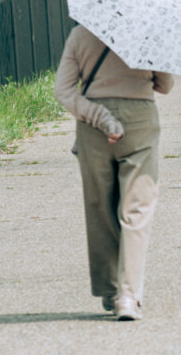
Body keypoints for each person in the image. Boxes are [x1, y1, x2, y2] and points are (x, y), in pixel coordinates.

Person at [55, 23, 174, 320]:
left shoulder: (80, 35)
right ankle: (128, 295)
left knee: (100, 207)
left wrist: (100, 116)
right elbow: (166, 85)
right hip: (140, 120)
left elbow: (63, 90)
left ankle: (109, 289)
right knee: (137, 209)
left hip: (93, 124)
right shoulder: (149, 30)